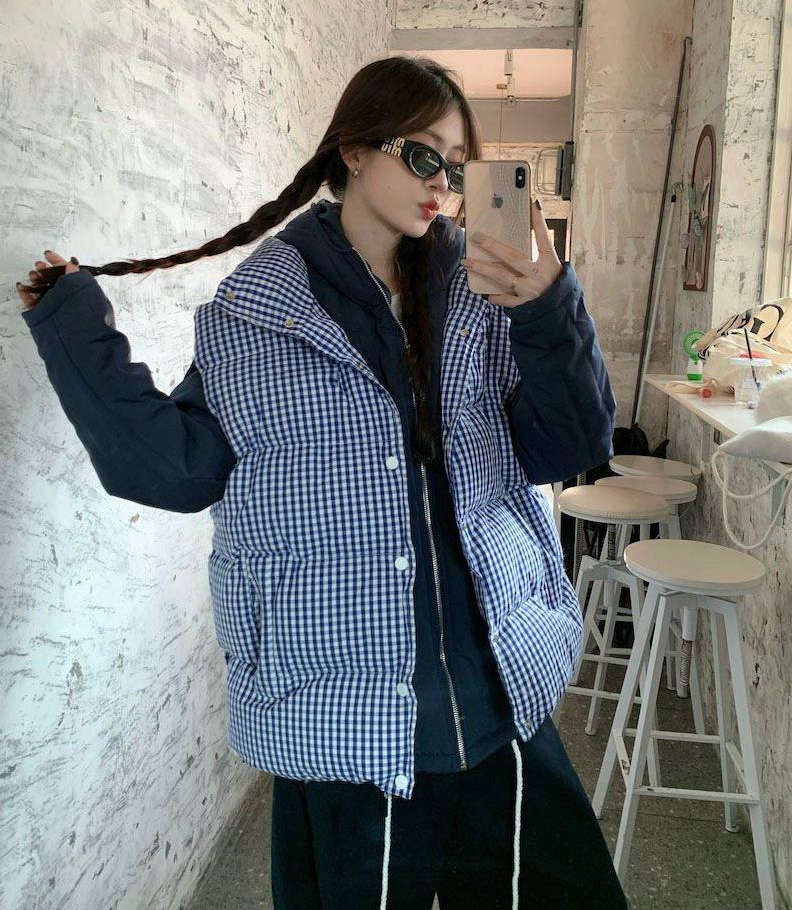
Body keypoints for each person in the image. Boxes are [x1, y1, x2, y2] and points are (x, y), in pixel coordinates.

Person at [17, 56, 624, 909]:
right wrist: (72, 323)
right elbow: (173, 465)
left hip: (499, 694)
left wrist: (550, 305)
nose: (442, 185)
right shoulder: (255, 318)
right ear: (354, 150)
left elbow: (568, 443)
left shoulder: (487, 294)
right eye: (424, 156)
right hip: (346, 718)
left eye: (458, 168)